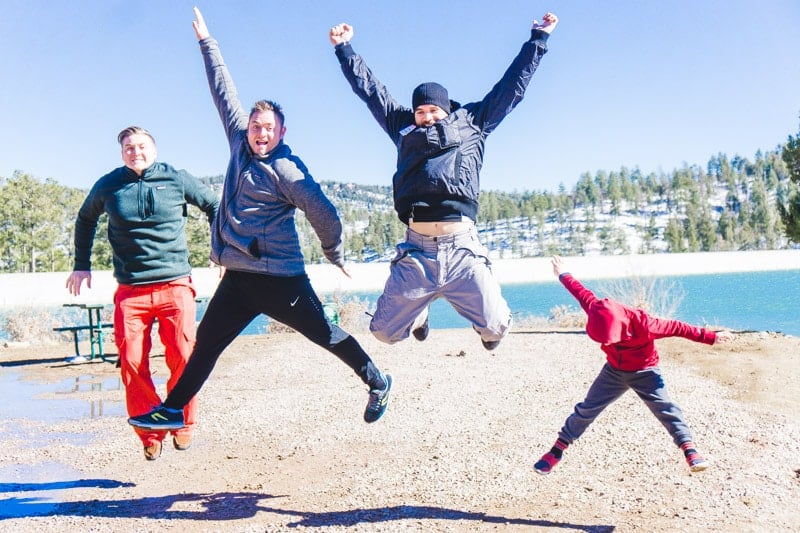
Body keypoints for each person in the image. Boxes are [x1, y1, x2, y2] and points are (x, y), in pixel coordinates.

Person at [128, 7, 392, 435]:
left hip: (280, 279)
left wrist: (334, 252)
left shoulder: (287, 171)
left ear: (281, 132)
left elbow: (324, 210)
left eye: (268, 128)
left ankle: (376, 380)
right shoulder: (238, 143)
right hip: (238, 278)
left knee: (324, 334)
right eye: (255, 126)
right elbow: (223, 91)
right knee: (206, 347)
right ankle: (173, 409)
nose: (260, 133)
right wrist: (206, 43)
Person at [328, 13, 558, 351]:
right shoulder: (402, 129)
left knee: (496, 331)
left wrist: (538, 40)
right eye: (420, 111)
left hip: (462, 247)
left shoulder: (474, 123)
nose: (427, 117)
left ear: (446, 109)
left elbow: (511, 88)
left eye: (433, 110)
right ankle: (418, 316)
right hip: (417, 249)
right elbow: (371, 91)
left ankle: (484, 324)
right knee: (384, 333)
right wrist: (345, 49)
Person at [66, 126, 219, 461]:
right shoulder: (109, 185)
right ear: (122, 153)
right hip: (130, 290)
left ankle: (182, 423)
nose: (135, 152)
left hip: (174, 284)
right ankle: (148, 431)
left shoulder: (177, 179)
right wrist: (81, 264)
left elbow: (214, 205)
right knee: (132, 361)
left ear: (154, 148)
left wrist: (220, 249)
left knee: (183, 355)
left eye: (141, 146)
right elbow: (85, 219)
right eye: (128, 148)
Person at [533, 256, 736, 475]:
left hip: (645, 372)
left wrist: (712, 337)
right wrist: (562, 273)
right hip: (613, 372)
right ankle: (556, 451)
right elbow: (578, 290)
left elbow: (680, 328)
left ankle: (690, 450)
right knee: (587, 409)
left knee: (666, 409)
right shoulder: (595, 308)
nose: (607, 343)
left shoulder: (645, 324)